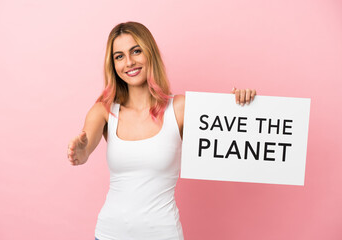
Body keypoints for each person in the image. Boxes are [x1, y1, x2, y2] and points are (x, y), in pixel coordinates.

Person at [67, 21, 256, 240]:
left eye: (136, 51)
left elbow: (232, 136)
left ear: (150, 53)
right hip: (108, 235)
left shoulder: (180, 108)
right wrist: (78, 152)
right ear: (113, 64)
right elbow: (83, 152)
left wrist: (244, 104)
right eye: (119, 56)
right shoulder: (104, 110)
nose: (129, 62)